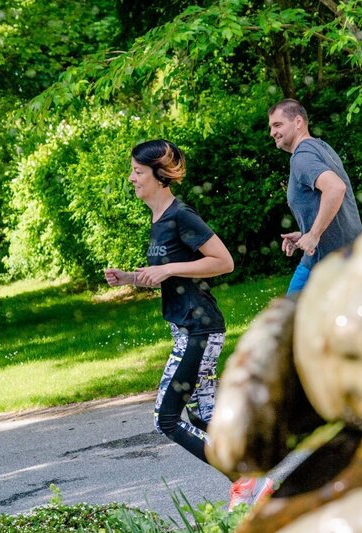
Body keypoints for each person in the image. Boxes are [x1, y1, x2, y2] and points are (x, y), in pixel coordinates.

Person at [104, 140, 270, 509]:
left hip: (200, 328)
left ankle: (243, 480)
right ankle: (257, 473)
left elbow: (223, 261)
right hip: (190, 327)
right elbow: (169, 275)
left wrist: (170, 267)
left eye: (137, 172)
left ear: (159, 177)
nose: (131, 178)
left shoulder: (181, 215)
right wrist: (130, 277)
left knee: (166, 419)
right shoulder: (158, 219)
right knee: (204, 414)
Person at [268, 99, 362, 296]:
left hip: (327, 262)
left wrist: (314, 235)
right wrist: (305, 232)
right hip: (347, 256)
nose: (272, 133)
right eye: (271, 127)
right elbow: (328, 200)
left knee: (292, 321)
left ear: (298, 122)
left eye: (278, 125)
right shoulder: (321, 148)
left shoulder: (302, 156)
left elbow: (336, 189)